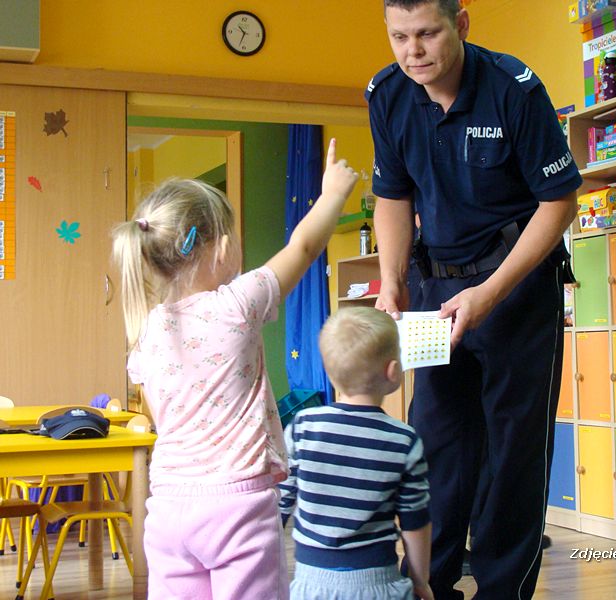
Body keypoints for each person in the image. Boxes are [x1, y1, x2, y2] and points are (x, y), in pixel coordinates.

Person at [366, 1, 582, 598]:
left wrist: (489, 293)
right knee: (436, 440)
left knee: (513, 450)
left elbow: (559, 202)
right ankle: (429, 585)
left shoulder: (514, 88)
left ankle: (500, 589)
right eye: (400, 37)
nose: (414, 51)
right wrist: (392, 278)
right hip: (434, 290)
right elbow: (393, 193)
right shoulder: (386, 94)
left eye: (428, 33)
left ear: (461, 24)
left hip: (514, 290)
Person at [111, 139, 358, 600]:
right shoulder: (238, 304)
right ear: (222, 247)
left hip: (167, 507)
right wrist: (332, 196)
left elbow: (162, 417)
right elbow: (303, 247)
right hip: (236, 504)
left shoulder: (146, 331)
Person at [278, 306, 434, 600]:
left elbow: (278, 506)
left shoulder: (303, 428)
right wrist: (420, 580)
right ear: (393, 371)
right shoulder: (404, 441)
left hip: (310, 582)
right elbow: (416, 521)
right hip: (378, 582)